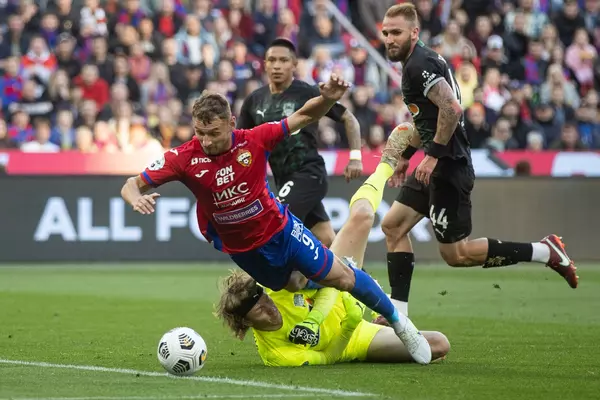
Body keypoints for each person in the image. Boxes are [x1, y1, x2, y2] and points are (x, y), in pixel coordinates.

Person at [120, 75, 432, 364]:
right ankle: (339, 268)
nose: (207, 141)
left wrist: (327, 99)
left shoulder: (254, 139)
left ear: (231, 123)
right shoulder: (183, 158)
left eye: (214, 133)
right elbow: (132, 184)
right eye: (200, 133)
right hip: (244, 250)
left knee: (344, 279)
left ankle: (399, 323)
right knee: (294, 283)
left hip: (282, 231)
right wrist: (136, 198)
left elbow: (304, 116)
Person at [378, 3, 578, 317]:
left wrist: (431, 156)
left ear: (414, 33)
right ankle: (398, 313)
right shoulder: (420, 61)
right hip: (435, 164)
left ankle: (544, 251)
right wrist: (406, 155)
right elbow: (426, 120)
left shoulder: (419, 64)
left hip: (448, 167)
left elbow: (452, 109)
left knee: (457, 255)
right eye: (386, 33)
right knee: (392, 226)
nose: (390, 39)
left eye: (396, 33)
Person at [237, 38, 363, 253]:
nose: (277, 66)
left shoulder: (308, 92)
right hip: (282, 178)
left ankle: (258, 276)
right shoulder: (254, 100)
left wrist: (355, 158)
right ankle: (354, 274)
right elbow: (241, 143)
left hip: (308, 173)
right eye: (272, 60)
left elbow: (348, 118)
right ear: (265, 64)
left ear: (294, 64)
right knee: (327, 241)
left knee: (275, 222)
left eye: (283, 60)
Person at [215, 270, 450, 367]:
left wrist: (316, 319)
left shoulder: (279, 289)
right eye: (260, 311)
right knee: (438, 345)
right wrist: (349, 326)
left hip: (346, 299)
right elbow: (329, 357)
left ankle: (374, 300)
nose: (271, 308)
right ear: (246, 322)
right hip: (356, 339)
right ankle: (376, 300)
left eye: (265, 299)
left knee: (360, 220)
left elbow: (328, 284)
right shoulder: (278, 356)